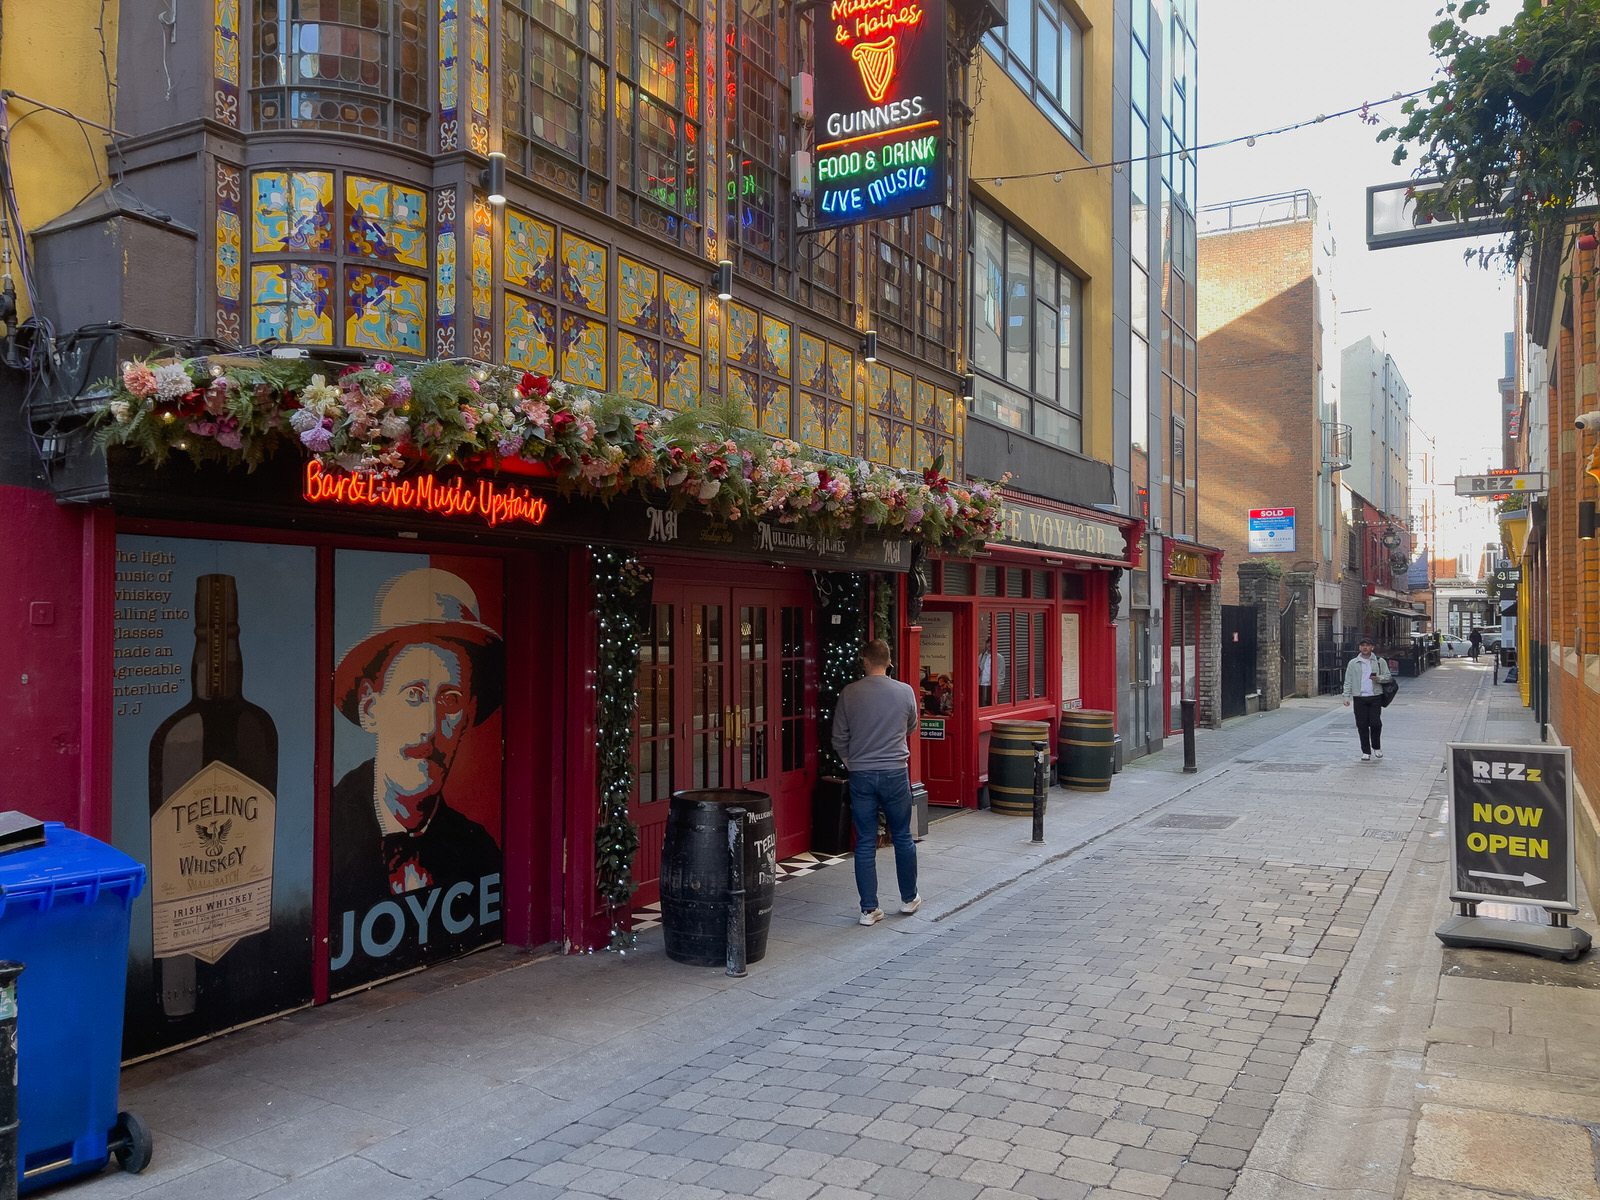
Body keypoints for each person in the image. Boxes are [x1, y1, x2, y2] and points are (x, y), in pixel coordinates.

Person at [330, 568, 505, 969]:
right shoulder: (325, 832)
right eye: (414, 695)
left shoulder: (479, 851)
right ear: (371, 708)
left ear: (469, 716)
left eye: (451, 699)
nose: (429, 727)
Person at [832, 639, 920, 926]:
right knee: (903, 836)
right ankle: (909, 899)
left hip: (862, 774)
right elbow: (911, 725)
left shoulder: (849, 693)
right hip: (895, 771)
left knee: (866, 840)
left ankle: (869, 909)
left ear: (865, 661)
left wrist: (849, 760)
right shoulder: (905, 691)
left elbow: (838, 736)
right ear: (889, 661)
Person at [1342, 636, 1393, 762]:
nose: (1365, 648)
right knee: (1362, 725)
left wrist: (1378, 679)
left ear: (1372, 647)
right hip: (1359, 697)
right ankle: (1366, 751)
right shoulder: (1353, 663)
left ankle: (1376, 747)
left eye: (1367, 645)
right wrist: (1346, 696)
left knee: (1375, 723)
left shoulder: (1379, 661)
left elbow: (1388, 677)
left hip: (1375, 696)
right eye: (1362, 645)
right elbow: (1348, 680)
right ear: (1359, 647)